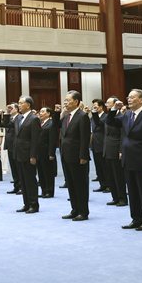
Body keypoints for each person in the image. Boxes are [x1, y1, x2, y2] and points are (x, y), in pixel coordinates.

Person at [119, 89, 142, 231]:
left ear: (141, 100)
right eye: (128, 97)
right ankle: (136, 219)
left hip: (141, 160)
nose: (129, 100)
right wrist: (113, 110)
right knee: (133, 192)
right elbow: (111, 122)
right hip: (128, 159)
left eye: (132, 97)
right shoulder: (127, 114)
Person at [54, 91, 91, 220]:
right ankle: (74, 210)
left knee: (80, 185)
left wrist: (83, 156)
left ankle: (83, 212)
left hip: (77, 156)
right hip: (66, 155)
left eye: (68, 100)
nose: (65, 102)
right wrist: (57, 113)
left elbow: (85, 138)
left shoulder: (82, 116)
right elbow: (55, 125)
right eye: (65, 100)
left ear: (76, 102)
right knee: (71, 184)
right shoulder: (66, 116)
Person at [94, 96, 128, 207]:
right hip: (107, 149)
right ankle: (115, 197)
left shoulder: (121, 117)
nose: (107, 105)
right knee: (110, 176)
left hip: (116, 149)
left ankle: (122, 198)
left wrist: (121, 150)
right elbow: (99, 125)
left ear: (115, 105)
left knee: (118, 176)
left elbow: (123, 135)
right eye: (106, 103)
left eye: (109, 103)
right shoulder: (108, 117)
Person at [12, 96, 41, 213]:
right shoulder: (19, 118)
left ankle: (33, 205)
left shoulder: (34, 119)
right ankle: (26, 203)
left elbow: (35, 139)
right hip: (18, 153)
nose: (18, 105)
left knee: (30, 180)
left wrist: (33, 155)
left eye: (21, 103)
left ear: (28, 105)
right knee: (22, 181)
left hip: (28, 154)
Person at [36, 106, 58, 198]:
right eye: (40, 112)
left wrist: (51, 153)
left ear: (48, 113)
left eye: (43, 112)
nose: (40, 113)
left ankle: (49, 191)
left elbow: (53, 140)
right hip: (39, 152)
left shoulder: (51, 123)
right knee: (41, 172)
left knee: (48, 172)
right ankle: (44, 190)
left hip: (47, 152)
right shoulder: (40, 123)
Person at [0, 104, 21, 195]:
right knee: (13, 168)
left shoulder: (19, 118)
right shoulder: (10, 119)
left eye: (11, 108)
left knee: (18, 168)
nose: (10, 109)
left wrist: (7, 114)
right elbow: (3, 124)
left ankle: (21, 187)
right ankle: (16, 186)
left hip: (17, 146)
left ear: (17, 109)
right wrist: (6, 113)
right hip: (10, 146)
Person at [90, 99, 109, 194]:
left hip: (102, 144)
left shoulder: (106, 117)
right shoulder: (93, 117)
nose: (94, 108)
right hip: (95, 144)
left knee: (105, 167)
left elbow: (99, 123)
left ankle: (108, 185)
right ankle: (102, 185)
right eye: (93, 106)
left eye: (95, 106)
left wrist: (94, 113)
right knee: (98, 167)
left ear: (101, 107)